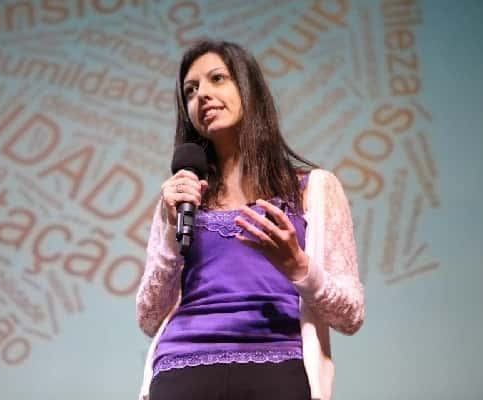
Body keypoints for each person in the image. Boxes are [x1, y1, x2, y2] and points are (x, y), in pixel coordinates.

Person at [136, 39, 365, 400]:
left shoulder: (314, 189)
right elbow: (149, 318)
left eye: (217, 79)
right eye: (191, 90)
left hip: (279, 366)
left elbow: (350, 315)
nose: (202, 96)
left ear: (249, 88)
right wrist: (168, 233)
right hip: (183, 368)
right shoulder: (180, 198)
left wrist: (300, 267)